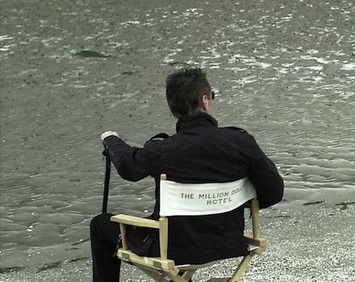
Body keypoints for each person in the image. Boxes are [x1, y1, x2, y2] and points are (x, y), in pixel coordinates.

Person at [90, 68, 284, 282]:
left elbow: (128, 167)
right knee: (180, 227)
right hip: (229, 243)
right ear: (204, 101)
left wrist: (112, 141)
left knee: (100, 224)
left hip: (174, 249)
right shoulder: (241, 142)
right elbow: (273, 191)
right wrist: (231, 202)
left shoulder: (162, 150)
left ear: (174, 110)